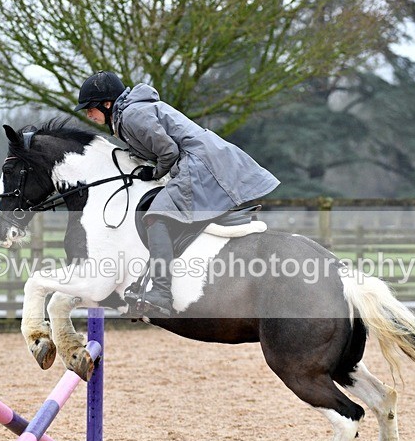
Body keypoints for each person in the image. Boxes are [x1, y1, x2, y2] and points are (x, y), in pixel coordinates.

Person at [75, 71, 280, 317]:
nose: (88, 114)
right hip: (196, 161)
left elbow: (168, 152)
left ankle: (161, 291)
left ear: (106, 104)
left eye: (90, 108)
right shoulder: (128, 115)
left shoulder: (131, 115)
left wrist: (154, 174)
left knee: (156, 215)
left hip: (198, 164)